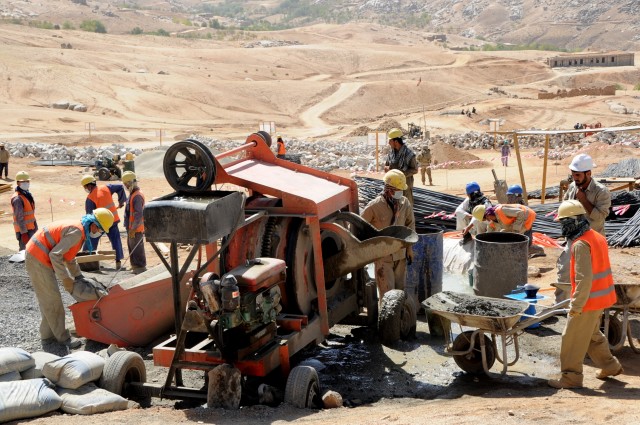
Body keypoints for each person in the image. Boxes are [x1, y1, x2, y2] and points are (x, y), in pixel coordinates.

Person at [547, 200, 622, 389]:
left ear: (573, 220)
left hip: (588, 301)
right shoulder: (595, 236)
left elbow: (584, 279)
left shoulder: (580, 244)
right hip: (602, 298)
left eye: (563, 222)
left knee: (571, 338)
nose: (562, 226)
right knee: (591, 335)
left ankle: (571, 378)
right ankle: (611, 366)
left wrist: (576, 306)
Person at [25, 208, 114, 348]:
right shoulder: (77, 232)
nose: (98, 234)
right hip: (37, 258)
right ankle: (63, 338)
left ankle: (48, 336)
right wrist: (66, 279)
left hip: (37, 255)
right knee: (53, 300)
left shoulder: (80, 231)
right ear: (94, 225)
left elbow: (69, 258)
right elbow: (55, 255)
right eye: (100, 231)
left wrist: (78, 276)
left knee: (47, 300)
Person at [557, 153, 611, 290]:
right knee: (564, 272)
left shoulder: (601, 191)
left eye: (578, 175)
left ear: (588, 173)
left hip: (593, 241)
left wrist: (584, 200)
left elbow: (599, 217)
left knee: (590, 276)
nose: (574, 178)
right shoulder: (572, 188)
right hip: (573, 238)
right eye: (573, 174)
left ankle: (589, 307)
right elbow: (565, 207)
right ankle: (561, 307)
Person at [361, 170, 415, 299]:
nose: (400, 193)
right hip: (383, 257)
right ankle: (387, 319)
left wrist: (409, 248)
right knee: (387, 295)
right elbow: (360, 226)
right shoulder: (375, 206)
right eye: (398, 190)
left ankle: (400, 319)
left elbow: (410, 224)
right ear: (389, 189)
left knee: (400, 292)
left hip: (400, 254)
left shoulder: (404, 203)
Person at [81, 174, 126, 269]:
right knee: (116, 241)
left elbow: (90, 217)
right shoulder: (106, 187)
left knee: (91, 239)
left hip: (100, 225)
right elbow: (120, 187)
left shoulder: (90, 198)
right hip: (113, 220)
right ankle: (118, 262)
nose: (85, 189)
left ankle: (86, 259)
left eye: (85, 187)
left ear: (89, 186)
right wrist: (121, 201)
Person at [472, 203, 536, 246]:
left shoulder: (501, 210)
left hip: (527, 216)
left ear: (487, 215)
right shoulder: (493, 220)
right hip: (518, 220)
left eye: (485, 219)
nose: (486, 220)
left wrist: (515, 229)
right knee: (503, 233)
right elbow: (489, 232)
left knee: (512, 238)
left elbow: (520, 213)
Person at [384, 128, 418, 207]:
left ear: (396, 141)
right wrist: (386, 168)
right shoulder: (391, 153)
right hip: (392, 186)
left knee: (405, 208)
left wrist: (399, 174)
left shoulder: (409, 154)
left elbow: (415, 170)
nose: (388, 143)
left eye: (390, 140)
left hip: (405, 186)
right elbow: (387, 165)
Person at [122, 171, 147, 274]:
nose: (126, 186)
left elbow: (138, 214)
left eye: (127, 184)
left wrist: (133, 228)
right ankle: (134, 265)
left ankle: (140, 267)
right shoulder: (132, 194)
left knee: (137, 248)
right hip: (131, 227)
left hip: (135, 228)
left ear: (130, 183)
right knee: (131, 247)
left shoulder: (137, 196)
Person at [11, 171, 38, 251]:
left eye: (27, 181)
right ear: (18, 183)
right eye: (23, 181)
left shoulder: (27, 195)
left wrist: (35, 227)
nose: (26, 183)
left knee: (34, 251)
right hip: (25, 231)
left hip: (31, 229)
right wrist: (24, 233)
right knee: (25, 253)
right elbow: (19, 217)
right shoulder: (17, 198)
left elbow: (31, 214)